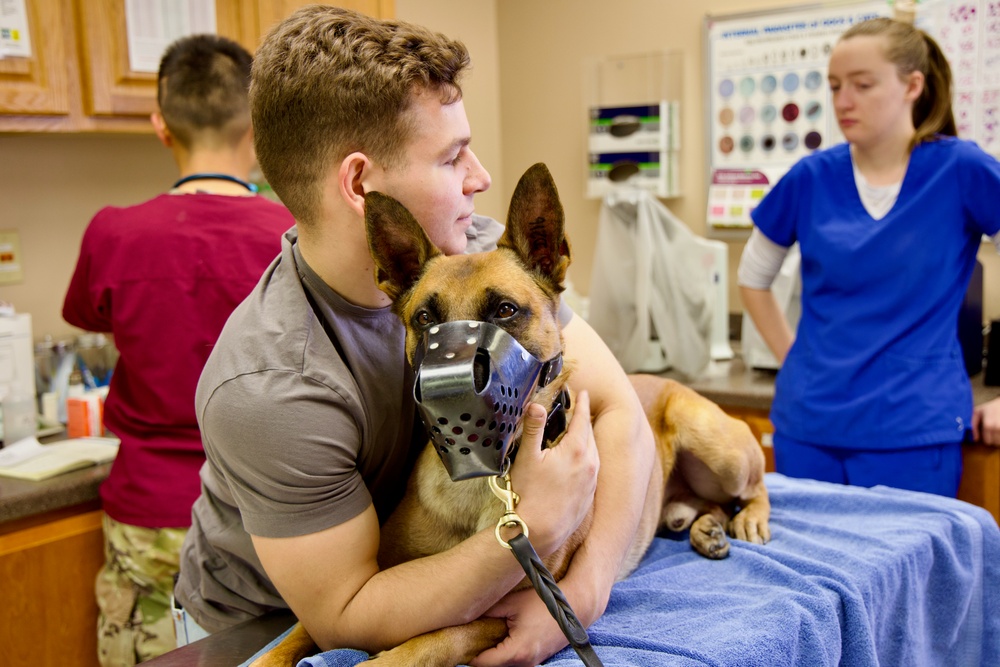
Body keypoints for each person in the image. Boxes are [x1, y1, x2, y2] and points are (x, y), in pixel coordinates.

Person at [172, 6, 655, 667]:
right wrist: (533, 527)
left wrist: (583, 591)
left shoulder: (473, 255)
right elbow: (346, 612)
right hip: (266, 625)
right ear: (361, 184)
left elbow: (620, 407)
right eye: (453, 155)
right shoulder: (271, 381)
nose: (480, 176)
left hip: (420, 566)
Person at [62, 34, 294, 665]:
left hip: (148, 510)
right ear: (256, 122)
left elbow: (89, 315)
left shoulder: (114, 232)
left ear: (160, 125)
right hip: (266, 512)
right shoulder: (294, 237)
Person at [738, 16, 1000, 498]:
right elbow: (753, 277)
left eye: (862, 85)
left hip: (913, 433)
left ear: (912, 86)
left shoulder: (962, 170)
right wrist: (793, 358)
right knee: (808, 571)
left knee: (909, 571)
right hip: (809, 425)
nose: (843, 101)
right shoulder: (811, 177)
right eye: (835, 85)